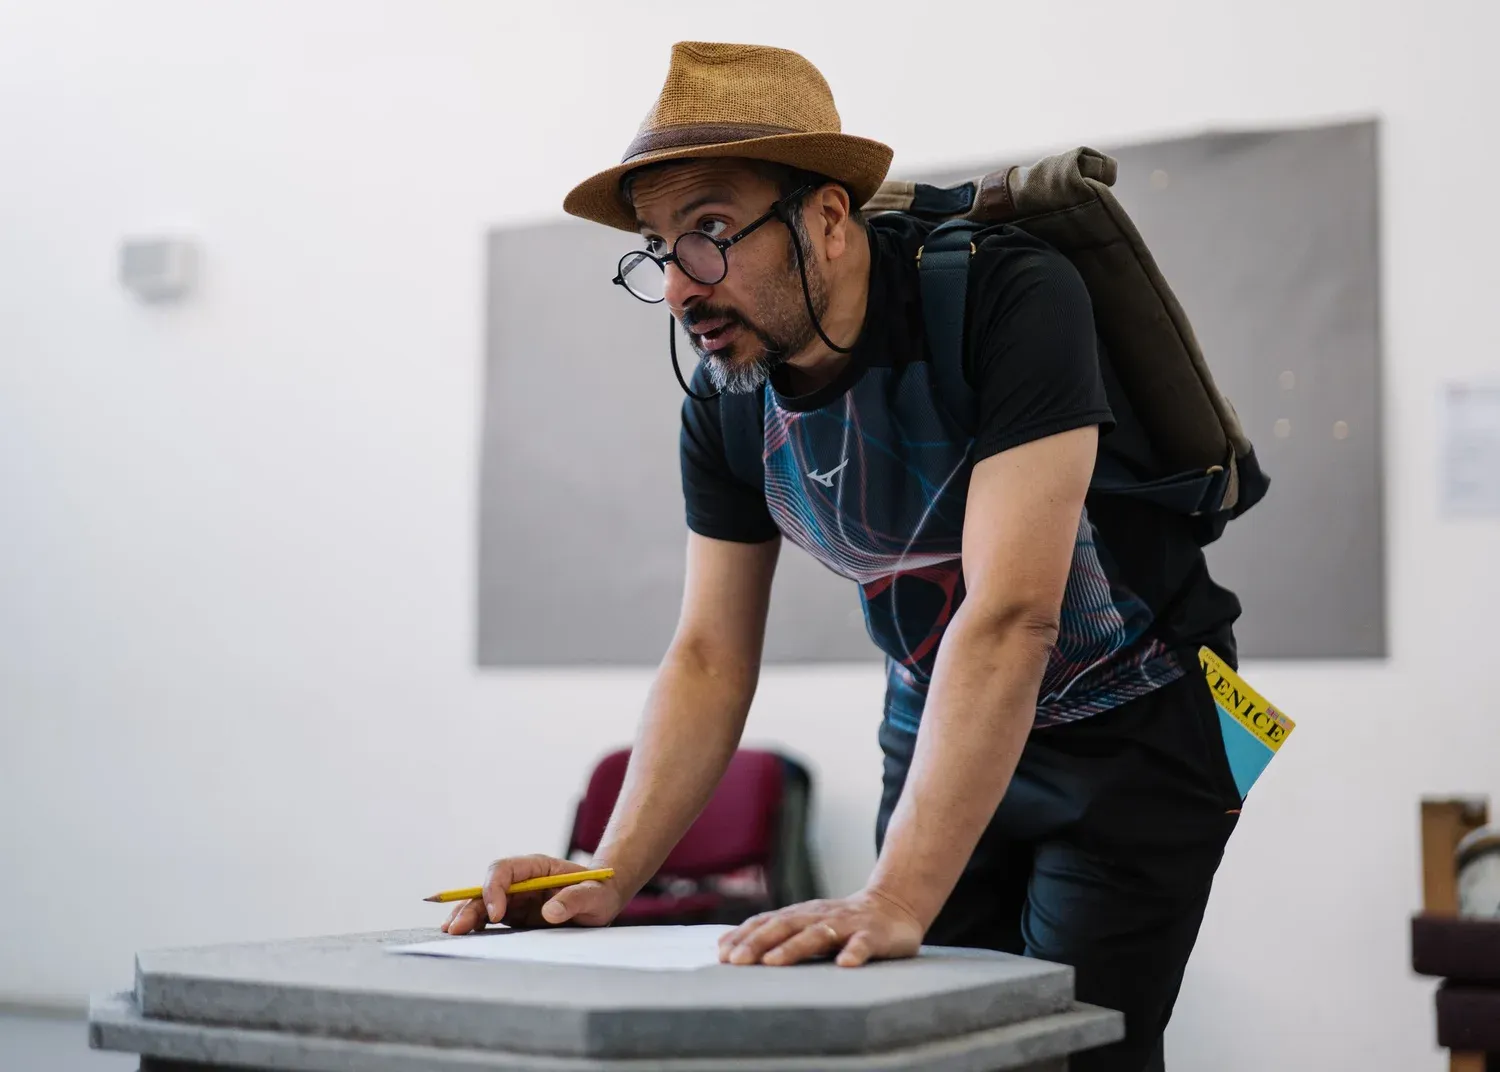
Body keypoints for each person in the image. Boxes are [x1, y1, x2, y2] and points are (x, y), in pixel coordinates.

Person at [445, 41, 1248, 1072]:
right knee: (930, 1049)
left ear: (828, 218)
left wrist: (898, 892)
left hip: (1141, 722)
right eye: (657, 246)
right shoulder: (728, 405)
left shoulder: (1007, 297)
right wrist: (611, 869)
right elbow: (706, 654)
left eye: (713, 231)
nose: (683, 285)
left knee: (1067, 1053)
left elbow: (1012, 614)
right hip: (940, 731)